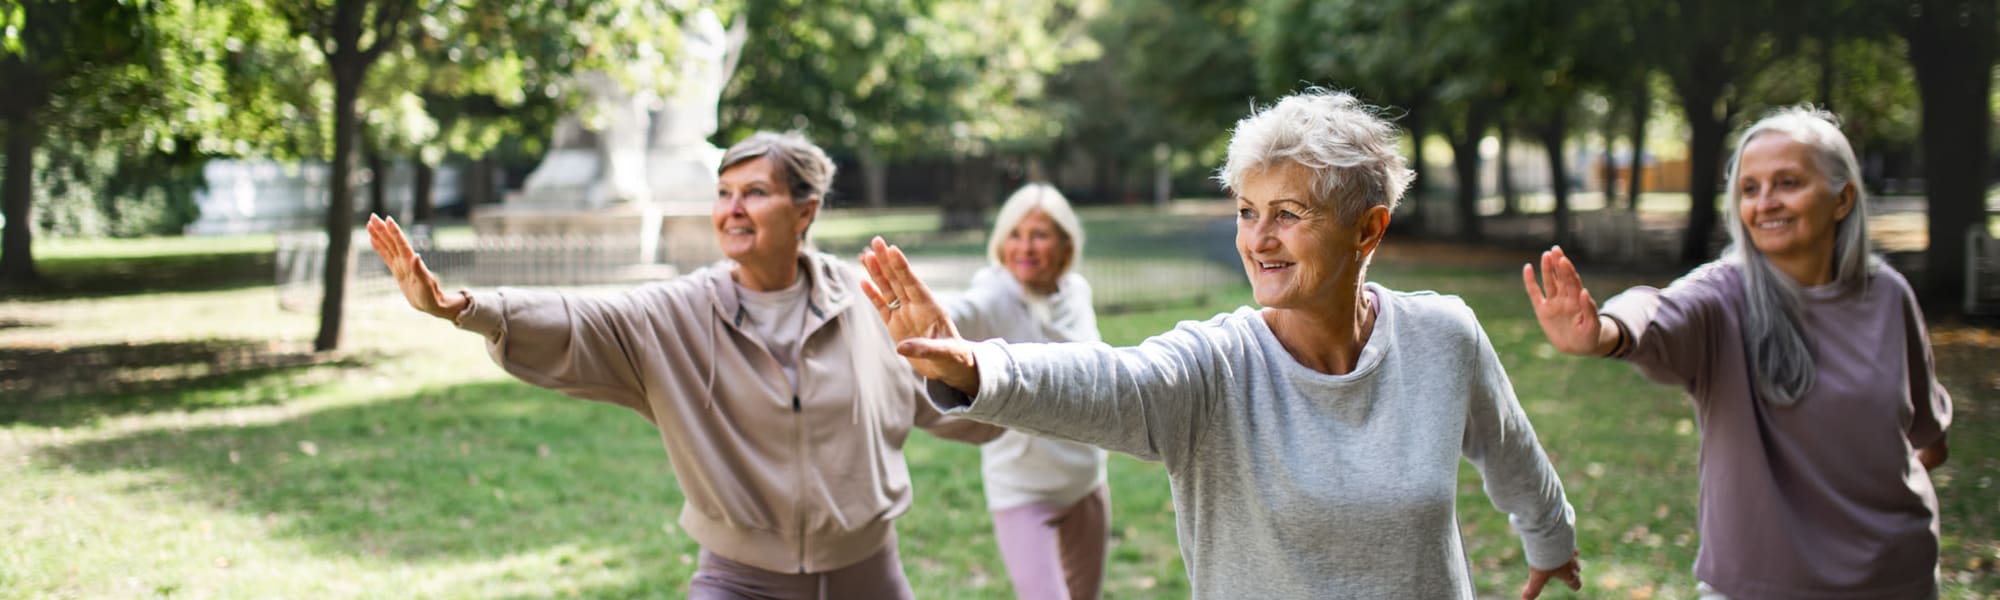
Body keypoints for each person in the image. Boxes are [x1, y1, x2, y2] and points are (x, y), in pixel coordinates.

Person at [858, 89, 1583, 599]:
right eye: (1246, 211)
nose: (1257, 239)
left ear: (1369, 230)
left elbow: (1510, 446)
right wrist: (976, 365)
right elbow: (1113, 382)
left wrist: (1550, 538)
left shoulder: (1442, 336)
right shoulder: (1216, 367)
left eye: (1288, 214)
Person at [364, 131, 1002, 600]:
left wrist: (985, 383)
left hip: (868, 571)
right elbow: (583, 319)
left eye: (755, 193)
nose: (732, 209)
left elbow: (944, 396)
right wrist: (464, 307)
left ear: (805, 212)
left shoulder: (865, 301)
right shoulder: (680, 311)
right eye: (724, 193)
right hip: (738, 579)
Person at [1521, 106, 1951, 599]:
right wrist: (1604, 333)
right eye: (1750, 188)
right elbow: (1656, 310)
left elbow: (1927, 436)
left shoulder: (1888, 295)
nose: (1765, 202)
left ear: (1842, 198)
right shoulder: (1723, 297)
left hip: (1900, 581)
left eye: (1787, 182)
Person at [940, 183, 1110, 600]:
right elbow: (963, 310)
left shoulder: (1076, 292)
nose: (1025, 247)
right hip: (1023, 488)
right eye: (1015, 235)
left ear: (1065, 244)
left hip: (1086, 480)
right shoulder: (996, 293)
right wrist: (930, 315)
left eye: (1039, 235)